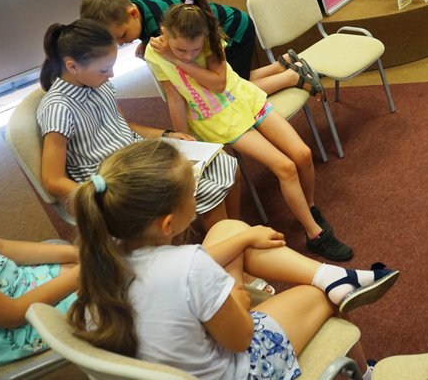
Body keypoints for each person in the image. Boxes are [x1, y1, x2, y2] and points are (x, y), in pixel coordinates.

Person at [69, 140, 399, 380]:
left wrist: (245, 237)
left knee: (228, 229)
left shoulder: (102, 260)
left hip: (177, 363)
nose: (196, 195)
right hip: (238, 371)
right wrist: (237, 298)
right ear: (167, 224)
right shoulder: (189, 266)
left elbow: (179, 277)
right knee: (317, 295)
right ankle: (363, 370)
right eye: (193, 190)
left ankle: (334, 277)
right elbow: (240, 340)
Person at [143, 0, 351, 261]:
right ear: (163, 32)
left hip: (243, 98)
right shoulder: (154, 53)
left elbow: (218, 83)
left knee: (301, 155)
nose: (189, 54)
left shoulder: (208, 39)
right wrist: (181, 135)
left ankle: (308, 208)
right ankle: (315, 235)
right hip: (217, 121)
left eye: (195, 49)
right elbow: (174, 97)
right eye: (181, 49)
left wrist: (177, 59)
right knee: (285, 167)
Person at [36, 19, 239, 229]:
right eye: (104, 70)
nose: (111, 75)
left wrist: (167, 134)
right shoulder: (58, 108)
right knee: (203, 189)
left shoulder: (98, 85)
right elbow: (53, 179)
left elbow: (126, 125)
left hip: (138, 159)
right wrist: (99, 198)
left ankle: (234, 231)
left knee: (224, 163)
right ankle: (229, 241)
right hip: (114, 180)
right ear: (72, 66)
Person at [80, 0, 257, 80]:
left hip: (234, 29)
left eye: (122, 36)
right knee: (235, 80)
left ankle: (284, 72)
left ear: (133, 14)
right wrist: (144, 42)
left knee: (235, 87)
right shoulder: (134, 10)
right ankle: (283, 66)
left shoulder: (160, 21)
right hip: (221, 29)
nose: (120, 43)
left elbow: (184, 58)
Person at [0, 236, 78, 366]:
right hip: (11, 327)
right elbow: (13, 315)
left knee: (94, 269)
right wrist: (82, 273)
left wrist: (77, 253)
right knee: (102, 292)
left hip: (20, 281)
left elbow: (2, 248)